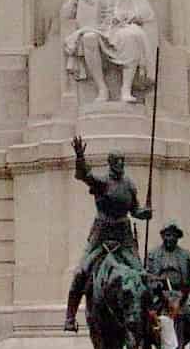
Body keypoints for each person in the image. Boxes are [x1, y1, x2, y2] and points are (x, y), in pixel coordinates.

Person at [64, 134, 151, 332]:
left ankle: (147, 320)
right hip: (101, 233)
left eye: (122, 161)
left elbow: (134, 210)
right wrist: (79, 156)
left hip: (124, 234)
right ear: (110, 163)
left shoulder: (129, 185)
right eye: (117, 161)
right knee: (81, 272)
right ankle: (70, 317)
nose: (121, 164)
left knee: (141, 274)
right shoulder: (102, 182)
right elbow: (84, 175)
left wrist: (143, 213)